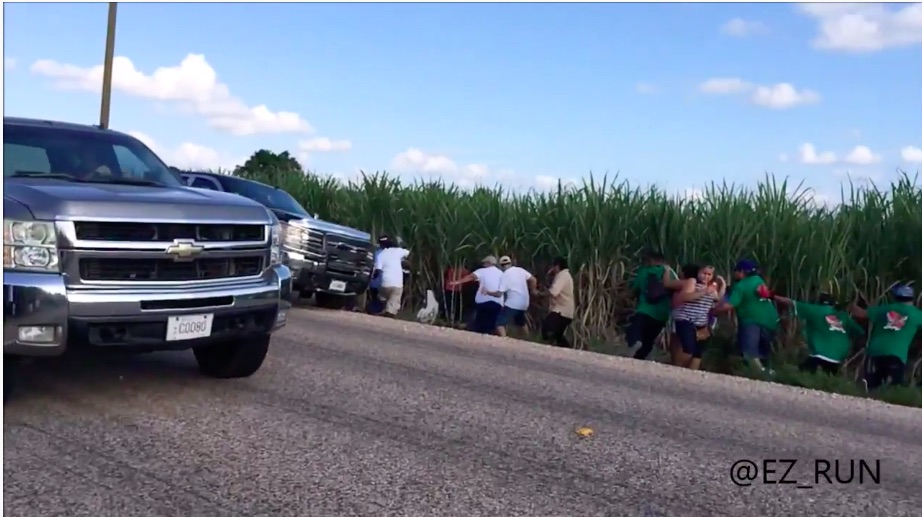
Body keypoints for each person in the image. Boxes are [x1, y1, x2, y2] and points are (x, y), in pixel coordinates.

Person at [710, 259, 780, 374]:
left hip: (751, 320)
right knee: (764, 351)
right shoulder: (758, 280)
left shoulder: (741, 286)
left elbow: (729, 305)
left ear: (741, 272)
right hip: (771, 320)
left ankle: (760, 374)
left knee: (750, 351)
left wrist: (713, 311)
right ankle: (770, 372)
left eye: (736, 271)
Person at [848, 284, 922, 391]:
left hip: (875, 351)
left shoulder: (884, 309)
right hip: (897, 354)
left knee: (871, 385)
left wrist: (850, 305)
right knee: (894, 387)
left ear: (895, 297)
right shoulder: (917, 315)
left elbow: (861, 314)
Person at [773, 292, 863, 376]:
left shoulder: (816, 310)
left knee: (798, 373)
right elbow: (859, 331)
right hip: (838, 359)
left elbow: (790, 302)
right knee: (828, 376)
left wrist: (772, 296)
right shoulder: (843, 316)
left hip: (821, 355)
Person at [663, 264, 723, 370]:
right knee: (688, 348)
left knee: (698, 352)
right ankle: (677, 369)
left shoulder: (712, 288)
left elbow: (716, 301)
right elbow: (684, 297)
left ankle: (691, 375)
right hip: (686, 319)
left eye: (709, 274)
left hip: (701, 323)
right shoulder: (692, 282)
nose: (706, 277)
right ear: (698, 273)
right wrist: (703, 292)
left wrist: (722, 286)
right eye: (704, 273)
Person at [627, 250, 677, 360]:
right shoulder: (671, 273)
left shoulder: (644, 271)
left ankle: (634, 345)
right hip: (662, 313)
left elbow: (633, 291)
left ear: (650, 260)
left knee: (635, 331)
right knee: (649, 339)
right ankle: (638, 359)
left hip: (644, 310)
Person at [482, 256, 537, 337]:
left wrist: (487, 292)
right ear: (510, 263)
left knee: (499, 322)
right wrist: (533, 290)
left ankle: (504, 339)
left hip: (512, 303)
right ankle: (527, 339)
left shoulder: (505, 275)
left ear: (501, 266)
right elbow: (533, 279)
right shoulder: (520, 270)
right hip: (524, 302)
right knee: (520, 322)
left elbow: (499, 294)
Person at [449, 255, 504, 334]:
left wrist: (457, 282)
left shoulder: (482, 271)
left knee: (481, 322)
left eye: (484, 263)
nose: (483, 264)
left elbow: (470, 277)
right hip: (497, 302)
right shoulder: (501, 273)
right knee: (492, 322)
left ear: (488, 263)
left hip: (483, 301)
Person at [541, 256, 575, 347]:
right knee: (557, 335)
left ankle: (563, 348)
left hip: (561, 311)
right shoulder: (563, 276)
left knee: (547, 329)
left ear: (557, 266)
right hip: (564, 311)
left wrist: (540, 294)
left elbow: (554, 292)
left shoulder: (563, 276)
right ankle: (567, 350)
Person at [372, 236, 410, 318]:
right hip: (397, 283)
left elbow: (378, 271)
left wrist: (373, 279)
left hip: (384, 283)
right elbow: (408, 252)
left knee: (382, 295)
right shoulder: (398, 251)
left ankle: (380, 307)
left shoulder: (380, 254)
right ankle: (390, 312)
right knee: (395, 297)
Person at [365, 235, 389, 314]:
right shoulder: (392, 253)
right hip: (385, 280)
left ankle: (373, 310)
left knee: (375, 296)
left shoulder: (377, 253)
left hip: (376, 280)